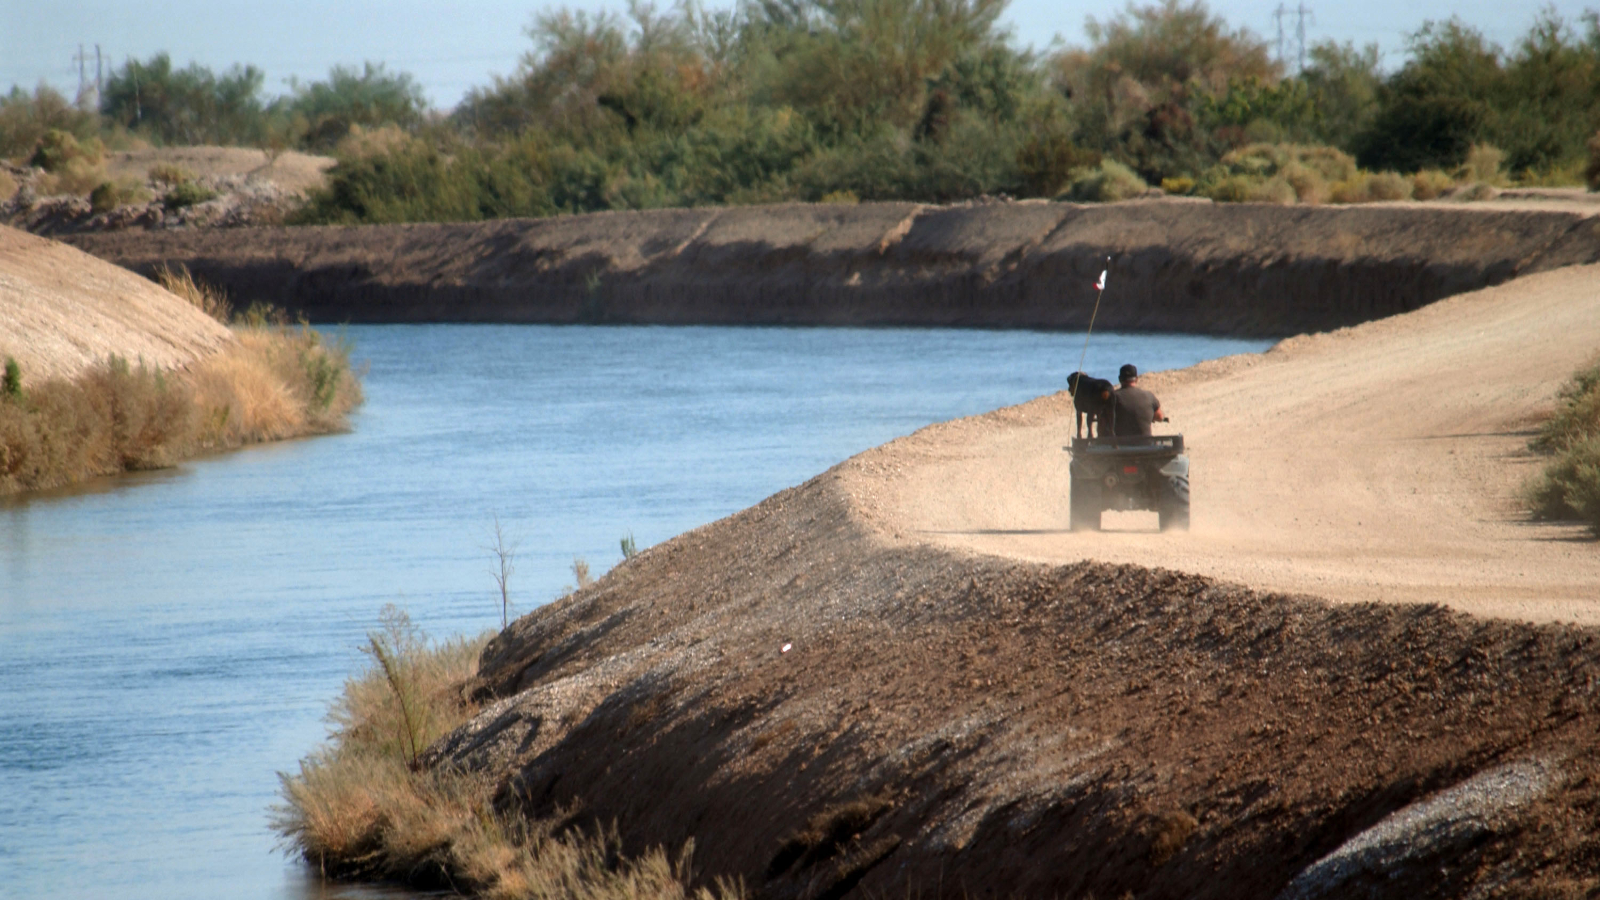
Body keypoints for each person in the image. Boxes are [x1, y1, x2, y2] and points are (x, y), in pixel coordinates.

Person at [1111, 363, 1165, 437]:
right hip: (1146, 445)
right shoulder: (1149, 395)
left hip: (1121, 445)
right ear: (1136, 379)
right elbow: (1160, 417)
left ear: (1120, 379)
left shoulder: (1113, 397)